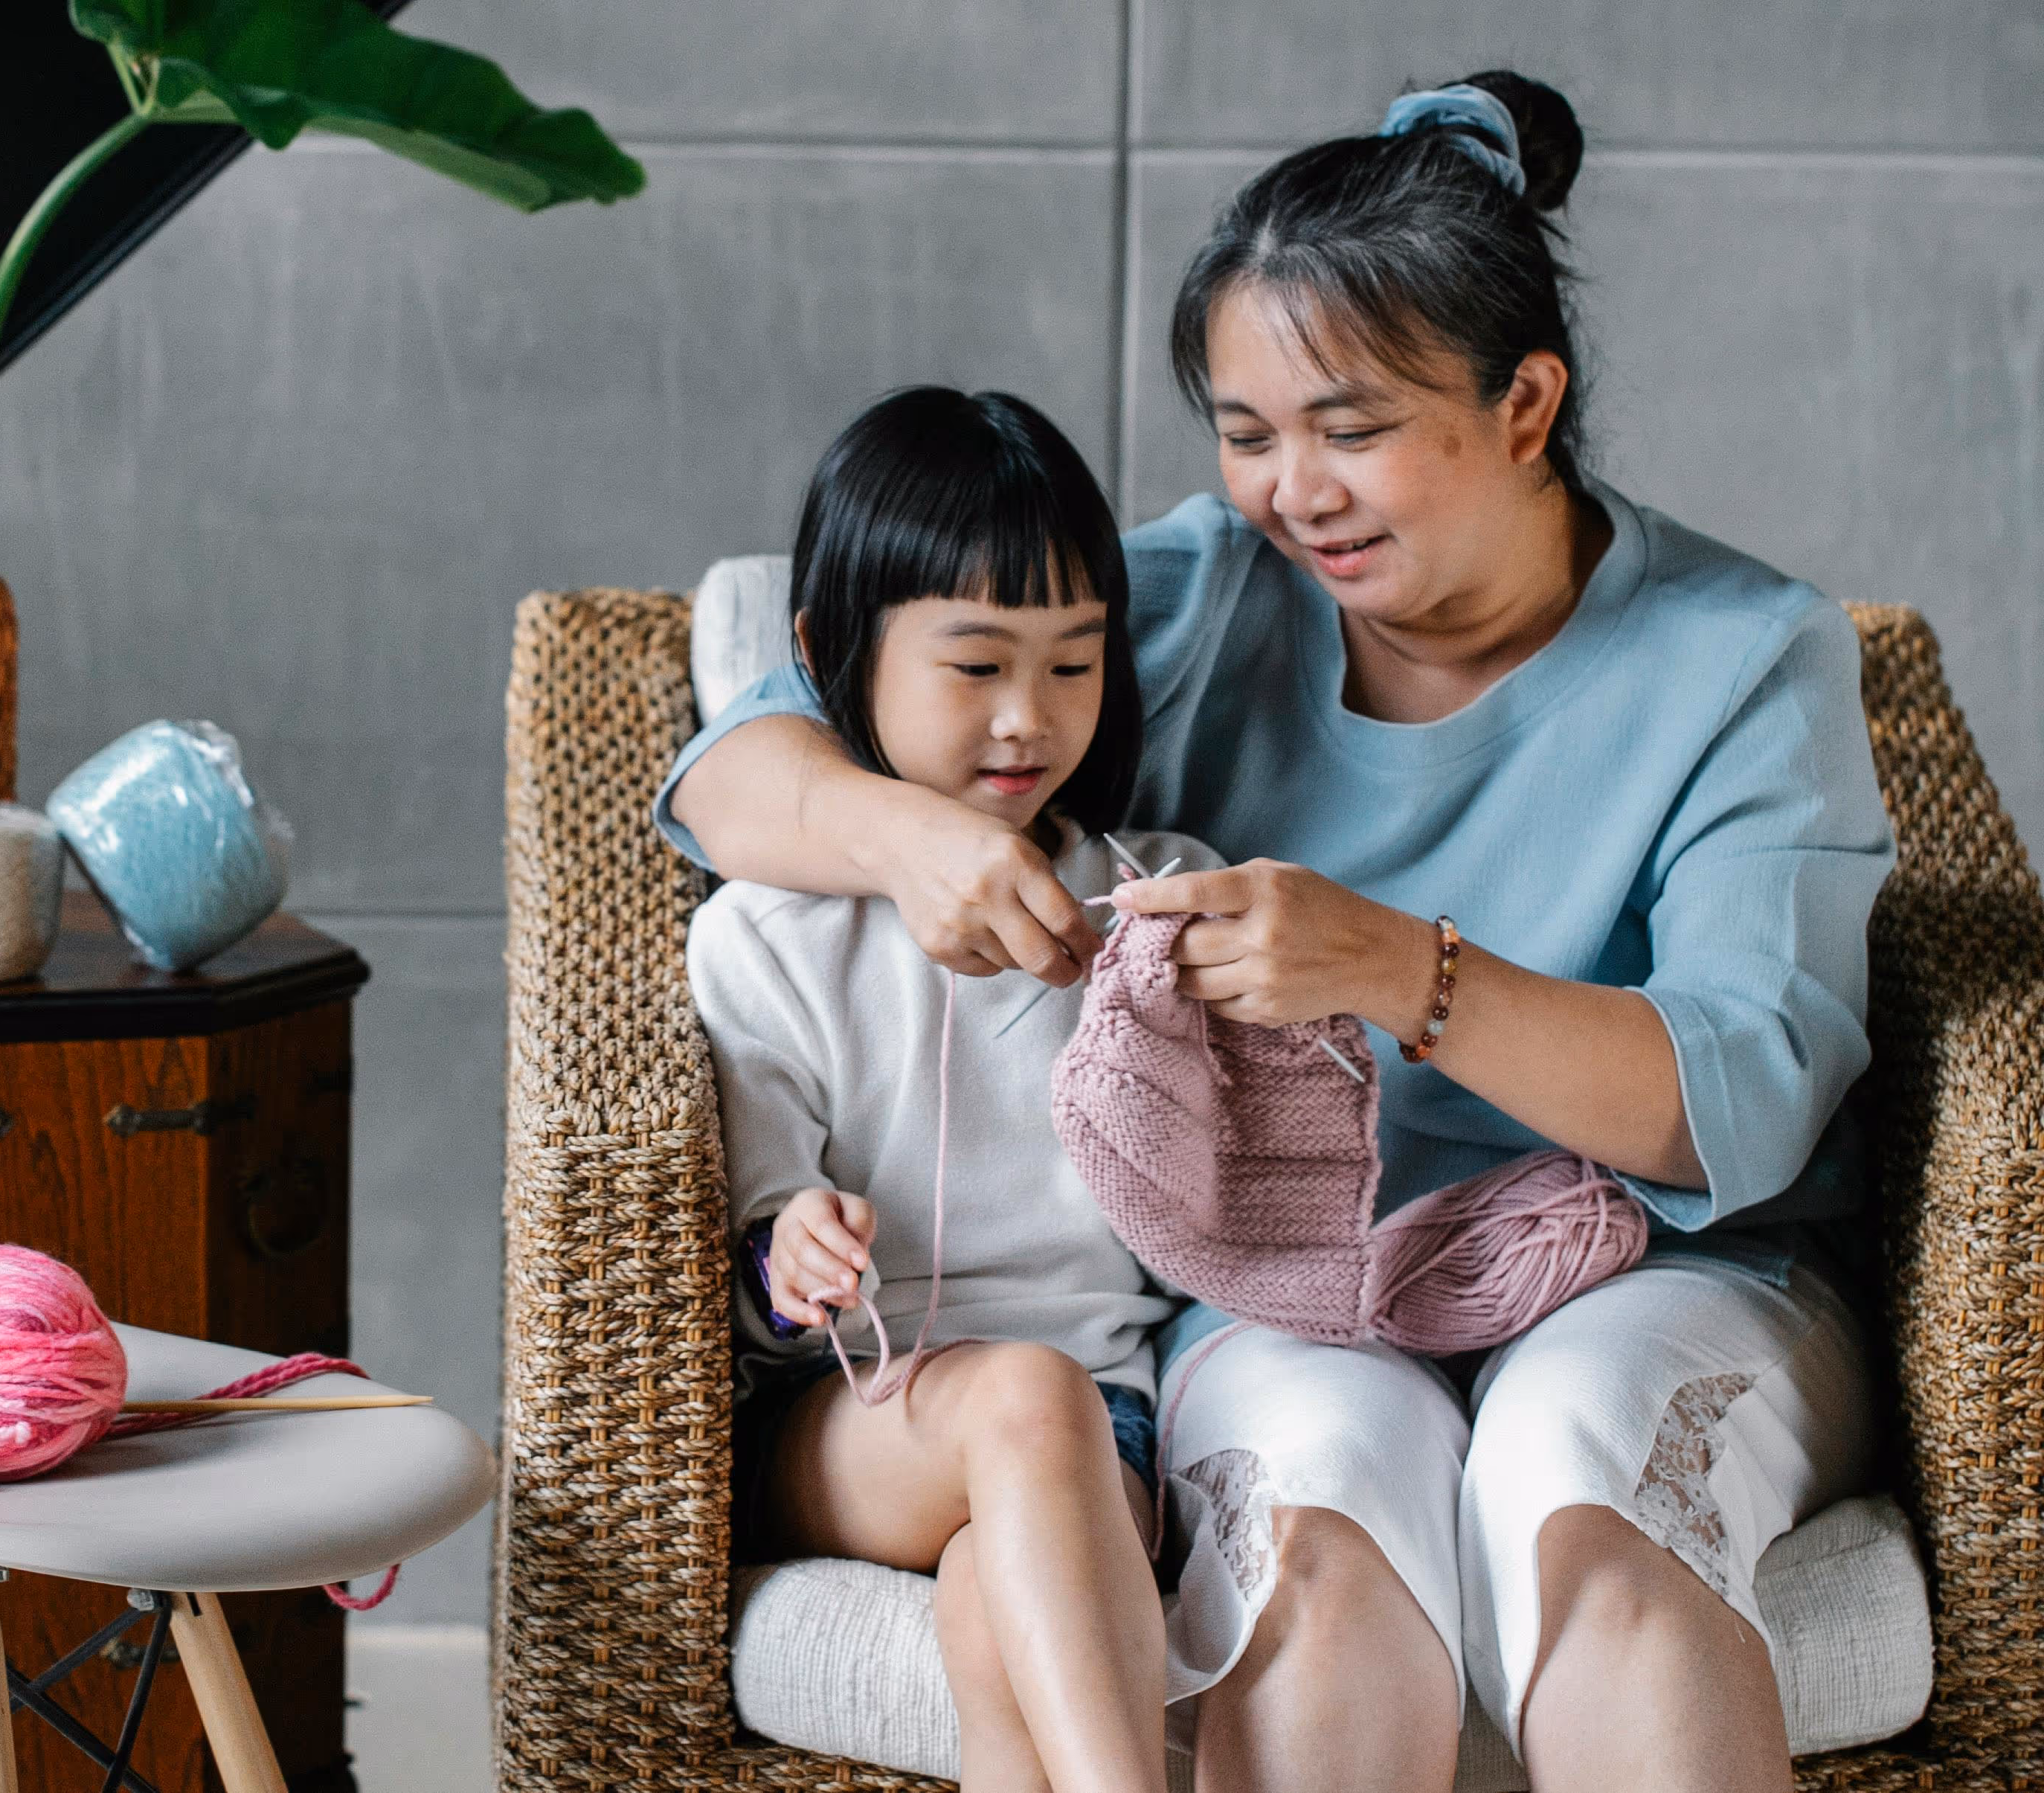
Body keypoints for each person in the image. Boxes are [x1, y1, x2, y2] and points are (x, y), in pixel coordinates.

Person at [661, 71, 1894, 1793]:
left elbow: (1747, 1095)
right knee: (1314, 1554)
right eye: (1247, 433)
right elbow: (746, 757)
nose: (1292, 492)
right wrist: (913, 834)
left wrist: (1401, 969)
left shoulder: (1744, 658)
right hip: (1280, 1282)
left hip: (1662, 1267)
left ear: (1525, 403)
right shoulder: (1205, 592)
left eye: (1350, 427)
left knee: (1586, 1492)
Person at [690, 385, 1224, 1793]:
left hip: (1101, 1435)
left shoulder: (1152, 897)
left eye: (1073, 663)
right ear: (830, 652)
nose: (1027, 718)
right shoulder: (768, 934)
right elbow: (757, 1259)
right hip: (849, 1420)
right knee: (1024, 1400)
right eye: (976, 665)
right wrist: (794, 1247)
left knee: (1001, 1612)